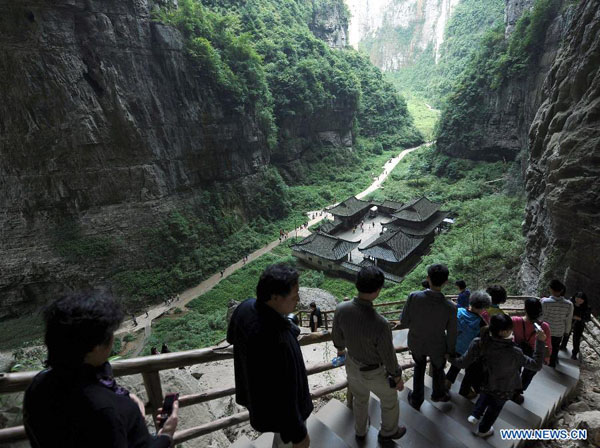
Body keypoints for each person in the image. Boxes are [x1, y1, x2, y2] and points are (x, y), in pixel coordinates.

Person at [23, 292, 178, 447]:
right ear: (95, 347)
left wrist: (123, 397)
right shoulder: (107, 410)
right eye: (110, 332)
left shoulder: (37, 386)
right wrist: (166, 435)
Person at [227, 264, 312, 448]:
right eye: (294, 296)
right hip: (285, 413)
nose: (298, 299)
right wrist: (299, 434)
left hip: (259, 402)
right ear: (275, 297)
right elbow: (285, 393)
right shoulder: (278, 340)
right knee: (286, 442)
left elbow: (230, 336)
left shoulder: (245, 308)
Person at [332, 266, 406, 442]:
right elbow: (389, 356)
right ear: (378, 291)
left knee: (360, 399)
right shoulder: (381, 323)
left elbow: (338, 340)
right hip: (374, 372)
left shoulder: (341, 309)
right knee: (389, 400)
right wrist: (397, 377)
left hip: (352, 364)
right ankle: (388, 432)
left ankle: (360, 431)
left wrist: (342, 349)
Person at [449, 314, 545, 437]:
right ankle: (483, 430)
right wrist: (540, 342)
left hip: (485, 381)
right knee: (494, 409)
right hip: (505, 388)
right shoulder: (515, 352)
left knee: (484, 396)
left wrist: (450, 358)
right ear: (504, 332)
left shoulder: (479, 342)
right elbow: (536, 365)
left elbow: (462, 363)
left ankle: (476, 414)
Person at [401, 264, 457, 410]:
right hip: (437, 345)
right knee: (438, 369)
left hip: (417, 342)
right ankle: (438, 394)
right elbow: (451, 332)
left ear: (428, 278)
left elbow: (404, 321)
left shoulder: (414, 297)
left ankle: (416, 399)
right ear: (445, 282)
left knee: (419, 368)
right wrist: (450, 350)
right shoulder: (450, 307)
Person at [445, 291, 491, 398]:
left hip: (453, 346)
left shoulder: (459, 311)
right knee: (468, 370)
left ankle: (446, 384)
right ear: (483, 308)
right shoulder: (482, 323)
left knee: (455, 365)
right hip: (468, 352)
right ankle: (465, 391)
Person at [511, 298, 552, 404]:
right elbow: (547, 344)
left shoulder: (515, 320)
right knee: (529, 373)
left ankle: (511, 388)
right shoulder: (544, 326)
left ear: (525, 309)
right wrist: (547, 358)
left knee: (515, 370)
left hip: (517, 351)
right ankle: (518, 392)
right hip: (534, 354)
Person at [542, 279, 574, 367]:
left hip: (546, 330)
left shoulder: (545, 302)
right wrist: (567, 332)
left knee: (544, 346)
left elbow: (541, 317)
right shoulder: (569, 304)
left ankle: (544, 361)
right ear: (561, 290)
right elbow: (568, 320)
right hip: (559, 331)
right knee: (555, 348)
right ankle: (552, 363)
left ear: (551, 289)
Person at [561, 291, 590, 360]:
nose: (579, 300)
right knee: (566, 334)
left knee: (576, 338)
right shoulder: (570, 302)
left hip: (579, 324)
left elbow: (587, 318)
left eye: (581, 299)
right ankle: (563, 346)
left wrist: (579, 318)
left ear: (584, 300)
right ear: (575, 297)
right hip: (569, 322)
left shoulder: (586, 307)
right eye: (577, 298)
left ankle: (574, 353)